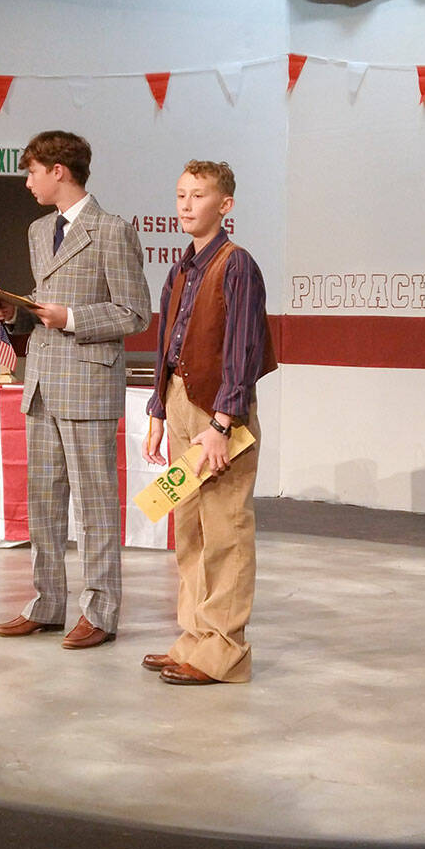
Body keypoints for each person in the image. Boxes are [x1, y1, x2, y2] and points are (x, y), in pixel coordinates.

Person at [0, 131, 151, 649]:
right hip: (42, 379)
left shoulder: (110, 231)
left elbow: (134, 312)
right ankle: (47, 602)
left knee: (95, 502)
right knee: (44, 500)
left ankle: (100, 612)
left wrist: (73, 317)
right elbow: (47, 297)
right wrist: (16, 309)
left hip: (88, 380)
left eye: (32, 171)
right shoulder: (38, 230)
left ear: (60, 170)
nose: (27, 181)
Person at [141, 161, 277, 685]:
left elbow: (243, 348)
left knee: (226, 528)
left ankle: (225, 648)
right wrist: (157, 409)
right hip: (179, 401)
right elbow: (166, 347)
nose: (186, 205)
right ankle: (194, 636)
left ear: (225, 205)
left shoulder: (237, 265)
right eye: (180, 195)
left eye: (198, 195)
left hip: (218, 410)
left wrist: (221, 423)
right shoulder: (180, 270)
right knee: (189, 526)